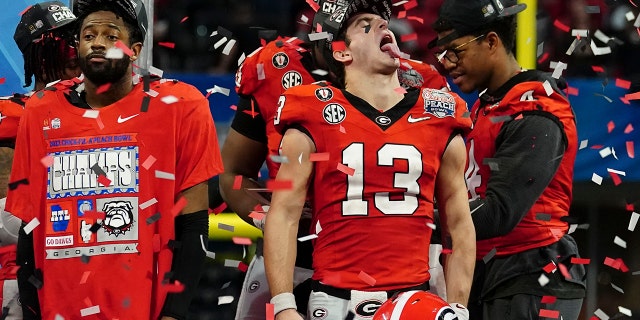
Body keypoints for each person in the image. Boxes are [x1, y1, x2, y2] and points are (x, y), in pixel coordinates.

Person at [220, 1, 451, 318]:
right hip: (295, 262)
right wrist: (271, 217)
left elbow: (450, 197)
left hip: (397, 274)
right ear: (328, 42)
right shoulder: (273, 70)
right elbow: (233, 174)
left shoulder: (419, 82)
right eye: (356, 28)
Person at [5, 0, 223, 319]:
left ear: (134, 49)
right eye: (89, 34)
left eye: (111, 35)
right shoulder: (40, 112)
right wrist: (32, 312)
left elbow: (193, 224)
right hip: (59, 309)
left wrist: (173, 314)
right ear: (77, 46)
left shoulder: (180, 106)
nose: (98, 42)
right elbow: (30, 230)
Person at [429, 0, 586, 319]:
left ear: (491, 41)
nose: (448, 63)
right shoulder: (489, 106)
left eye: (456, 50)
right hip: (496, 272)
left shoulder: (537, 112)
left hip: (534, 274)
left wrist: (408, 220)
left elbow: (500, 212)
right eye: (444, 54)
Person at [1, 2, 81, 318]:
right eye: (62, 39)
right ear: (35, 51)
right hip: (20, 281)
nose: (74, 47)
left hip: (93, 271)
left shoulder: (109, 114)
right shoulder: (11, 117)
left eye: (77, 36)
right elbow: (10, 222)